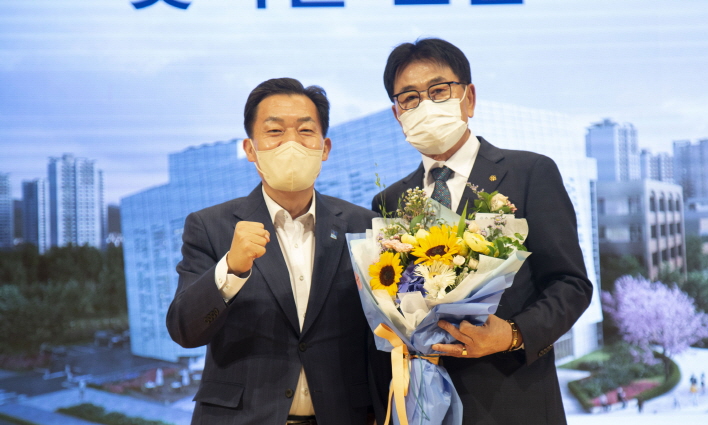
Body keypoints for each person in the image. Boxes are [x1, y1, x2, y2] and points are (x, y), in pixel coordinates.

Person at [371, 38, 593, 424]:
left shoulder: (529, 173)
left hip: (512, 401)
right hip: (423, 405)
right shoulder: (389, 201)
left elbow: (571, 284)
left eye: (438, 91)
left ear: (468, 98)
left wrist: (514, 333)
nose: (425, 106)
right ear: (397, 114)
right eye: (410, 98)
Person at [167, 78, 378, 425]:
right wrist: (231, 269)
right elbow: (185, 331)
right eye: (275, 131)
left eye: (305, 131)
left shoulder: (363, 225)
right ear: (250, 149)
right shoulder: (210, 225)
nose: (291, 143)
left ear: (325, 147)